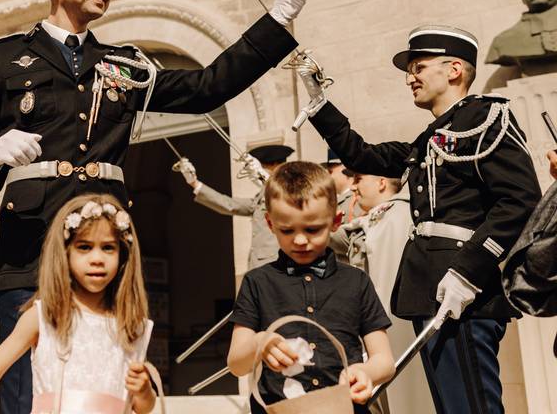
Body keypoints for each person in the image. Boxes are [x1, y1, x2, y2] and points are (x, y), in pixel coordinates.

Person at [0, 0, 304, 412]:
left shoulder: (124, 64)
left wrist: (277, 22)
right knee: (24, 389)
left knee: (104, 380)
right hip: (29, 244)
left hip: (100, 245)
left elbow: (207, 87)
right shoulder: (3, 58)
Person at [296, 25, 541, 414]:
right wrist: (320, 103)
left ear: (455, 69)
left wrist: (469, 272)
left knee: (472, 407)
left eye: (419, 66)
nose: (410, 77)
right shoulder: (429, 138)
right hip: (431, 291)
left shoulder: (487, 119)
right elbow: (361, 156)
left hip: (464, 292)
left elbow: (520, 200)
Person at [225, 161, 395, 413]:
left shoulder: (356, 281)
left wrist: (366, 371)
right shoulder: (256, 282)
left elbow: (385, 360)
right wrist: (260, 342)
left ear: (335, 221)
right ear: (270, 224)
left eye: (313, 229)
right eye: (287, 230)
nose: (301, 240)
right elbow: (236, 364)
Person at [0, 194, 156, 414]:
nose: (97, 258)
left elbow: (143, 407)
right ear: (66, 252)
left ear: (122, 253)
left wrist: (144, 391)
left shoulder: (130, 325)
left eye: (108, 247)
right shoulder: (44, 317)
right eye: (84, 247)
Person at [345, 174, 433, 414]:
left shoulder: (400, 215)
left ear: (381, 182)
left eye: (359, 178)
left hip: (392, 329)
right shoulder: (376, 217)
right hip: (369, 335)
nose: (352, 185)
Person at [176, 143, 293, 270]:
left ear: (274, 166)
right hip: (260, 267)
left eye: (262, 168)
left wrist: (266, 178)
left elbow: (286, 198)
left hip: (277, 265)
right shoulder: (260, 197)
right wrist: (194, 183)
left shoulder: (290, 190)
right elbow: (229, 204)